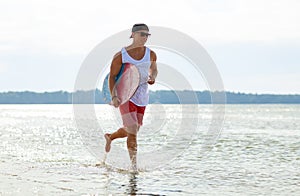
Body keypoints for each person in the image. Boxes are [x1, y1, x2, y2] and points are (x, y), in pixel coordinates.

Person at [104, 24, 158, 168]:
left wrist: (153, 76)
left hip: (142, 97)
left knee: (132, 130)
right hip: (125, 96)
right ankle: (133, 168)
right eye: (142, 34)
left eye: (147, 35)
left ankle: (110, 137)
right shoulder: (121, 55)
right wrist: (114, 96)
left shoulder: (151, 54)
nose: (145, 37)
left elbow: (154, 69)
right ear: (133, 34)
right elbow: (112, 77)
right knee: (132, 129)